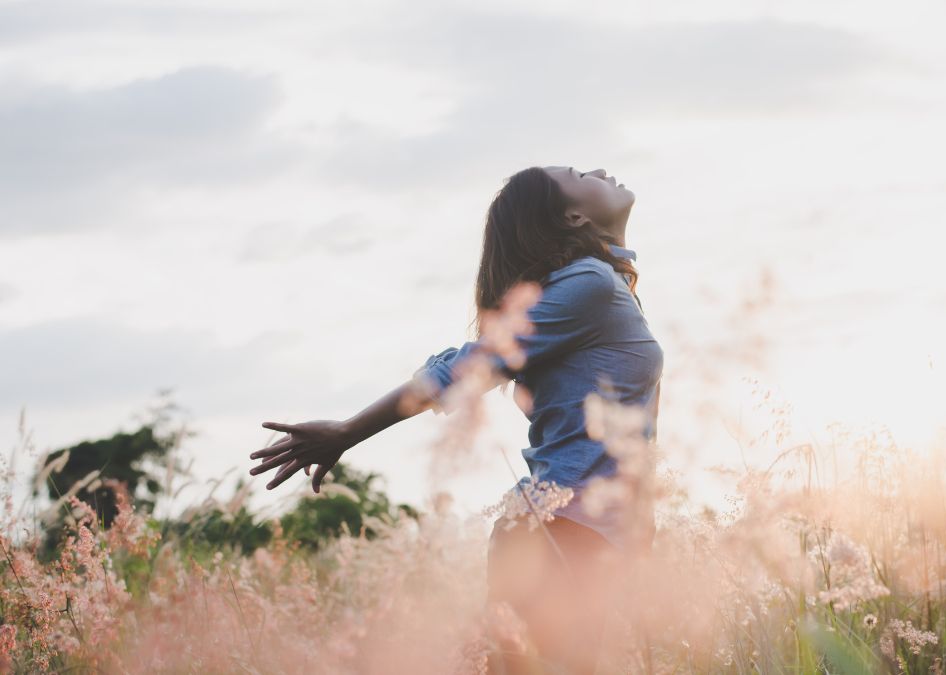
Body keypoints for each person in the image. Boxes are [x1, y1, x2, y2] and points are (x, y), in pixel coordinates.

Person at [247, 166, 665, 674]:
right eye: (579, 174)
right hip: (561, 532)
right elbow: (473, 365)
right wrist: (348, 431)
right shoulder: (590, 285)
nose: (599, 171)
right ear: (574, 216)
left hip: (583, 533)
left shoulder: (607, 284)